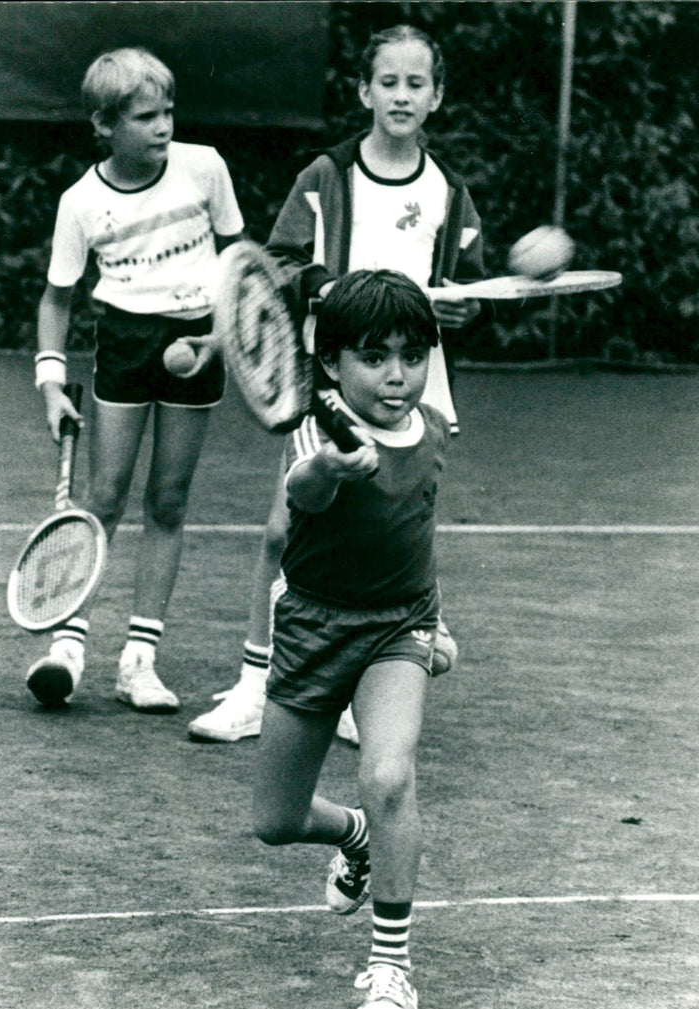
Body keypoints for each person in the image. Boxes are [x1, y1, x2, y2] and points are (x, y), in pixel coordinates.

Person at [189, 23, 483, 745]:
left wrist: (456, 302)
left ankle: (364, 686)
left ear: (437, 96)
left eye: (417, 84)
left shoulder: (450, 191)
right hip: (326, 386)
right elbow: (281, 263)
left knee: (394, 538)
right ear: (364, 91)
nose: (402, 95)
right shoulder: (325, 177)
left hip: (416, 392)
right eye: (389, 82)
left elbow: (467, 292)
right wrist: (336, 292)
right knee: (282, 529)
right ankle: (258, 683)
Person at [252, 269, 447, 1009]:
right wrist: (334, 467)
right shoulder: (315, 429)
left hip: (399, 626)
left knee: (388, 772)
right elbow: (304, 491)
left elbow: (419, 530)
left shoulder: (430, 428)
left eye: (411, 354)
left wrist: (439, 623)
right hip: (312, 626)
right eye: (374, 357)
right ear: (332, 363)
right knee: (275, 819)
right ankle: (355, 838)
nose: (396, 375)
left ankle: (392, 966)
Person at [25, 47, 245, 712]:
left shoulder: (204, 168)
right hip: (123, 342)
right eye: (146, 116)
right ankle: (67, 646)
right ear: (104, 124)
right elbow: (56, 298)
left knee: (169, 501)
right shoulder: (81, 202)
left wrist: (221, 334)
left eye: (168, 111)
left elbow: (238, 257)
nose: (162, 126)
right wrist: (51, 382)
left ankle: (139, 661)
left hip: (195, 338)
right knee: (105, 497)